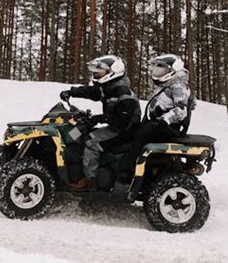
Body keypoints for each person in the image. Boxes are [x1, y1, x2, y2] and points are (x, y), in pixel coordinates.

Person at [60, 55, 141, 190]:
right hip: (116, 127)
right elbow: (92, 92)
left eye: (100, 71)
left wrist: (99, 119)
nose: (96, 74)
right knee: (81, 134)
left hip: (125, 131)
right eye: (95, 71)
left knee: (91, 142)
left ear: (113, 72)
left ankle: (89, 181)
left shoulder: (122, 92)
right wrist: (71, 92)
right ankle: (75, 170)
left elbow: (122, 120)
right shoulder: (109, 87)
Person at [117, 54, 191, 185]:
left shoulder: (178, 86)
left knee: (141, 134)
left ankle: (129, 170)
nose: (157, 72)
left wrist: (165, 119)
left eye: (161, 69)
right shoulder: (166, 85)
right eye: (155, 69)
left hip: (168, 127)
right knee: (132, 130)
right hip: (158, 123)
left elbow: (181, 110)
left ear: (172, 70)